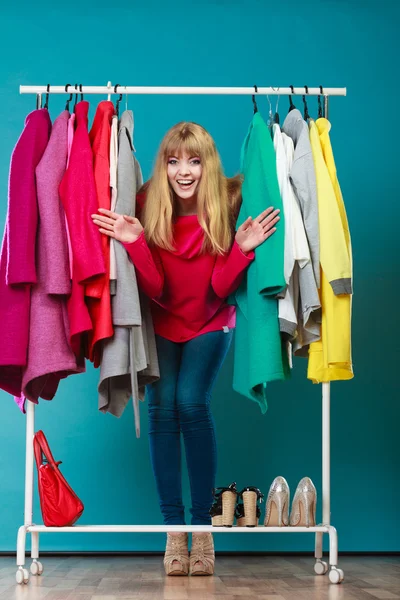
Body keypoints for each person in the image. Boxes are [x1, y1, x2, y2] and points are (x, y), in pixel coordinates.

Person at [92, 122, 280, 576]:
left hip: (211, 320)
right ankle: (175, 533)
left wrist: (242, 249)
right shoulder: (147, 203)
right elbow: (155, 289)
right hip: (163, 319)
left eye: (194, 161)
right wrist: (136, 243)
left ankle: (203, 533)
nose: (184, 171)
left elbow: (218, 289)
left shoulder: (227, 202)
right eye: (175, 161)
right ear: (164, 165)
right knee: (162, 410)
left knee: (191, 405)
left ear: (207, 164)